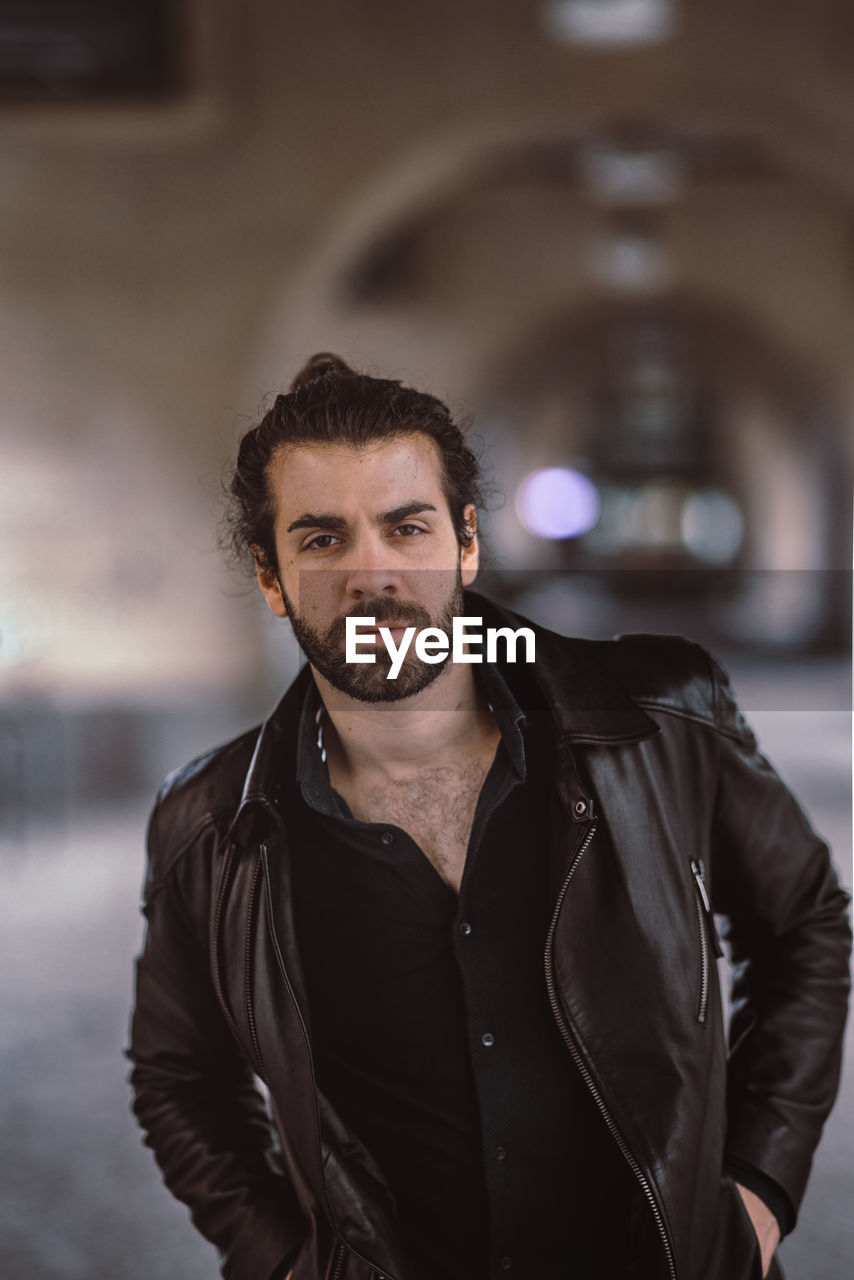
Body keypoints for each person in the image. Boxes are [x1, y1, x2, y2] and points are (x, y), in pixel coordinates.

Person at [128, 353, 851, 1280]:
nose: (372, 575)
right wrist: (283, 1262)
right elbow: (179, 1079)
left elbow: (804, 927)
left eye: (406, 527)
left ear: (466, 543)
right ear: (270, 578)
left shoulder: (664, 716)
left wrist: (758, 1189)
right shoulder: (207, 824)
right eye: (321, 540)